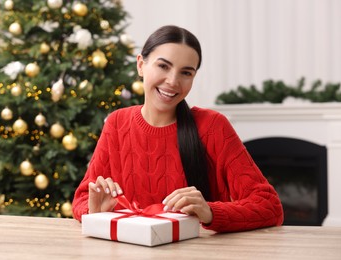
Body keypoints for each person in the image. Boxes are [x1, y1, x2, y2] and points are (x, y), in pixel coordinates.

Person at [72, 25, 283, 232]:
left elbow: (269, 206)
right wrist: (95, 212)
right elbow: (82, 198)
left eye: (186, 73)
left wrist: (210, 212)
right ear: (140, 65)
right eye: (163, 66)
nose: (173, 81)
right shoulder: (118, 123)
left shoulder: (213, 127)